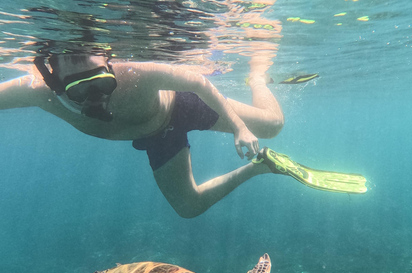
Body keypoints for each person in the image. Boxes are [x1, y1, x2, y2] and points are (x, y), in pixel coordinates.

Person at [0, 53, 286, 218]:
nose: (97, 97)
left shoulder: (134, 73)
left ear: (109, 66)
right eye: (79, 89)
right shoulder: (37, 91)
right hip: (157, 137)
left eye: (102, 82)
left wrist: (240, 127)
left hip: (182, 107)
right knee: (188, 206)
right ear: (54, 82)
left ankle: (257, 78)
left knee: (273, 125)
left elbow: (197, 81)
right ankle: (260, 167)